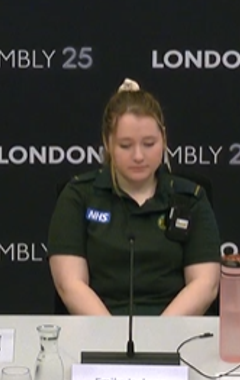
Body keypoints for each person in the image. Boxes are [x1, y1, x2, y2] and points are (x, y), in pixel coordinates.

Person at [47, 79, 222, 317]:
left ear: (164, 140)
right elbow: (70, 285)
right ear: (108, 143)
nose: (139, 156)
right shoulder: (78, 195)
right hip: (97, 332)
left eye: (149, 144)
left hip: (176, 334)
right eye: (126, 145)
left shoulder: (191, 198)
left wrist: (158, 335)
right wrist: (113, 336)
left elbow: (205, 284)